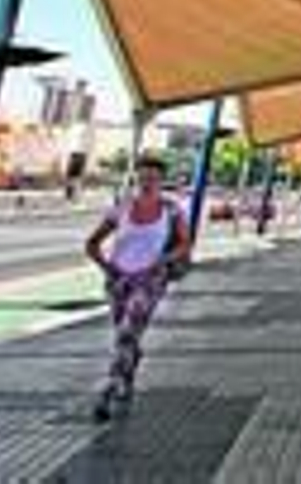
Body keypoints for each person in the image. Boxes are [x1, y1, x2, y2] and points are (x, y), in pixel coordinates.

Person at [84, 153, 191, 421]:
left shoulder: (171, 209)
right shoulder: (122, 207)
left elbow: (184, 244)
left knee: (127, 333)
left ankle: (108, 390)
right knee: (126, 336)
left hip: (150, 280)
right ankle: (128, 376)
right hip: (119, 280)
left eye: (153, 178)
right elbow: (92, 243)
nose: (147, 182)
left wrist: (163, 261)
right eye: (143, 177)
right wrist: (107, 267)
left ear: (161, 180)